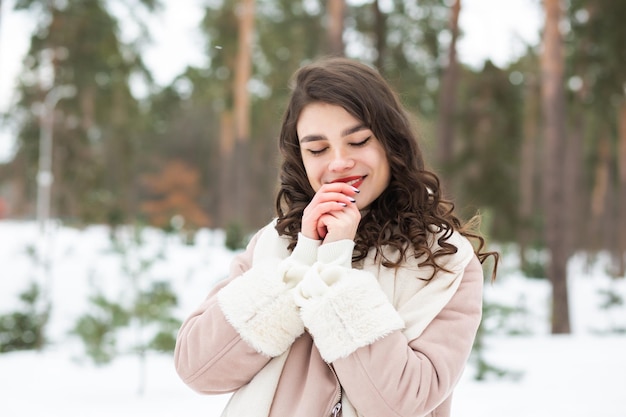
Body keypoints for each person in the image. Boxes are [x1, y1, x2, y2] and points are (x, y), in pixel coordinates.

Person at [174, 57, 499, 417]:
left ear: (392, 144)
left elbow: (401, 403)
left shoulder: (444, 261)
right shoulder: (276, 243)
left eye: (358, 141)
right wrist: (301, 262)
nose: (339, 163)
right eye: (317, 149)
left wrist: (333, 272)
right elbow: (198, 370)